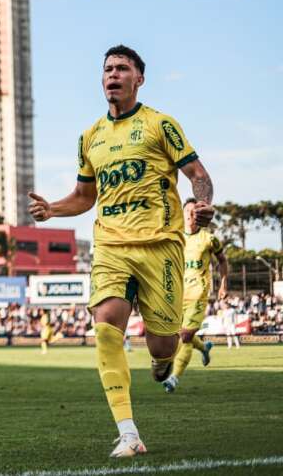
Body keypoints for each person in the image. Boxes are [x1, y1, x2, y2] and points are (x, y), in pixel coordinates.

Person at [27, 45, 214, 459]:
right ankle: (128, 432)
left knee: (163, 347)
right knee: (106, 325)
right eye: (107, 69)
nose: (113, 74)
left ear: (139, 79)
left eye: (122, 68)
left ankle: (162, 364)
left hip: (161, 247)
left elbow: (198, 175)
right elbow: (83, 196)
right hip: (110, 244)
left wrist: (200, 206)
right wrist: (52, 210)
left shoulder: (161, 125)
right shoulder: (90, 136)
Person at [163, 198, 227, 392]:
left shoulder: (209, 238)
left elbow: (223, 261)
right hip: (177, 295)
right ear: (182, 214)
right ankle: (204, 347)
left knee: (185, 335)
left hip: (198, 293)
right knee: (179, 335)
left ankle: (174, 378)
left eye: (194, 211)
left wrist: (223, 285)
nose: (190, 215)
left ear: (199, 215)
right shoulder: (176, 238)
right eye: (187, 211)